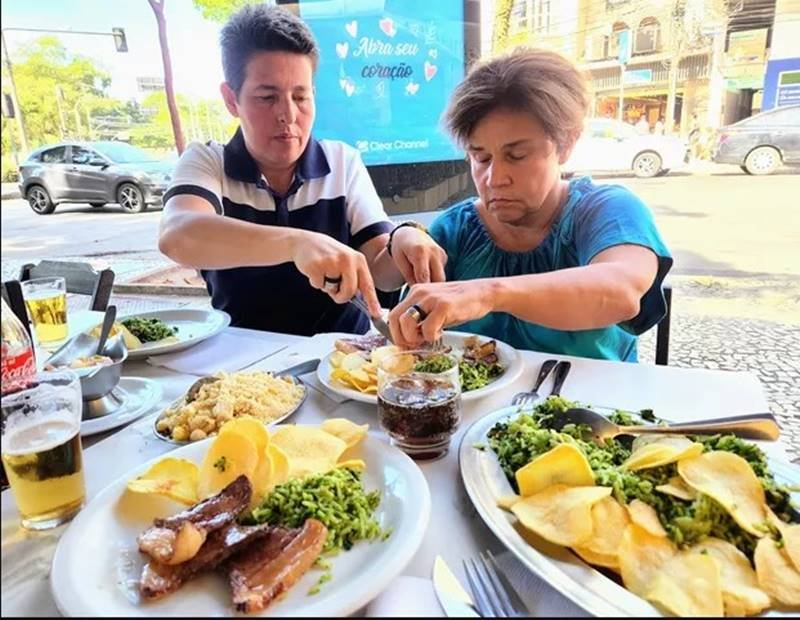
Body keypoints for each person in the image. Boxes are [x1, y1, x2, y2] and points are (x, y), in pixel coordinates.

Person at [158, 5, 445, 336]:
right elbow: (178, 235)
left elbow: (380, 271)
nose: (288, 115)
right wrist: (296, 244)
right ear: (231, 99)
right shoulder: (208, 162)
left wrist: (403, 239)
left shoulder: (341, 162)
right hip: (243, 363)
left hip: (341, 357)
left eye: (301, 96)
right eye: (267, 97)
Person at [387, 49, 673, 362]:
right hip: (476, 410)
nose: (494, 178)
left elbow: (620, 291)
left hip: (591, 407)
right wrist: (402, 234)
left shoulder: (607, 210)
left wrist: (486, 294)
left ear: (565, 144)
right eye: (481, 157)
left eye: (517, 155)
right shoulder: (457, 230)